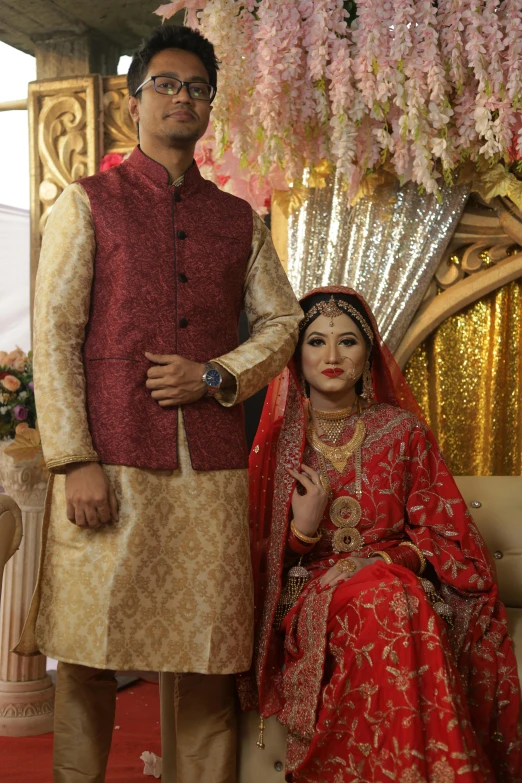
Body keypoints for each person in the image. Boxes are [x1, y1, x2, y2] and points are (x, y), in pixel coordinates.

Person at [16, 24, 302, 783]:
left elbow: (284, 323)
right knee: (85, 657)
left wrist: (216, 375)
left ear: (211, 106)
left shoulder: (238, 219)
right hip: (107, 466)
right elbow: (55, 335)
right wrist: (73, 459)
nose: (183, 97)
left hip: (208, 475)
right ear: (134, 99)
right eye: (167, 84)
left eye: (198, 87)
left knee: (206, 661)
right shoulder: (87, 205)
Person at [243, 287, 521, 783]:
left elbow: (448, 536)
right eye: (316, 342)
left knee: (394, 596)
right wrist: (304, 533)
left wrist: (391, 561)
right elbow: (253, 564)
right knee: (391, 601)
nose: (331, 356)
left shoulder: (403, 431)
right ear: (295, 353)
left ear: (368, 354)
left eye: (347, 342)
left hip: (394, 579)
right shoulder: (278, 443)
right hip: (314, 594)